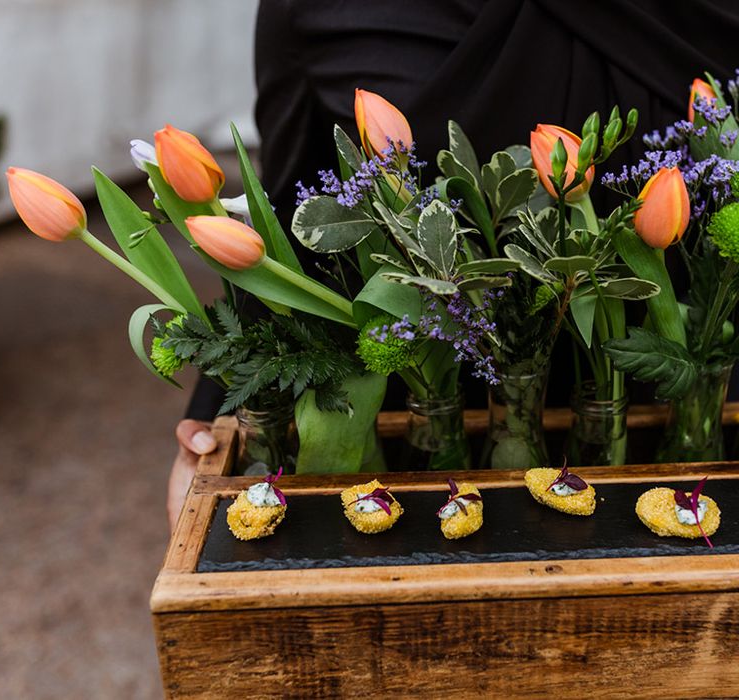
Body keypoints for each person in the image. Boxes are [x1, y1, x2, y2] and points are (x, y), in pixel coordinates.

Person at [167, 0, 739, 529]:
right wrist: (225, 414)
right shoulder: (322, 11)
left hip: (681, 426)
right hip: (422, 447)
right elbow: (287, 230)